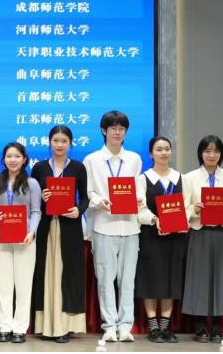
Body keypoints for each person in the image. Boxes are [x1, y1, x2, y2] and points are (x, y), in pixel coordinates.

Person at [84, 110, 143, 343]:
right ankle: (109, 325)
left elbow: (138, 188)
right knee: (105, 279)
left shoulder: (134, 159)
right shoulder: (92, 160)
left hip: (130, 227)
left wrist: (138, 199)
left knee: (127, 280)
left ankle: (126, 326)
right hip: (103, 226)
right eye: (113, 128)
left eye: (122, 129)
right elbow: (88, 191)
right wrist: (99, 201)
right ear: (103, 130)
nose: (117, 132)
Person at [30, 125, 89, 343]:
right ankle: (46, 325)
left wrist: (78, 210)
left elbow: (85, 198)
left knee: (67, 273)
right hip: (45, 227)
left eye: (64, 141)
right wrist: (41, 197)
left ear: (70, 144)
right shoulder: (39, 168)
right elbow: (31, 198)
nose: (59, 145)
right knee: (45, 273)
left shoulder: (78, 168)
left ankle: (65, 326)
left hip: (69, 227)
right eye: (56, 140)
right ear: (49, 142)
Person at [181, 135, 223, 343]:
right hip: (199, 232)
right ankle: (200, 326)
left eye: (216, 151)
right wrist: (194, 209)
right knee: (198, 279)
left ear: (221, 154)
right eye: (207, 151)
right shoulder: (189, 177)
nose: (212, 155)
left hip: (222, 233)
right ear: (201, 153)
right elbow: (183, 208)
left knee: (221, 279)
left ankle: (216, 326)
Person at [134, 136, 187, 344]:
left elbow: (188, 205)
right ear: (151, 154)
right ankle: (153, 327)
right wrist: (156, 219)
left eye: (167, 149)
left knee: (171, 280)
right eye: (159, 149)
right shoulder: (143, 178)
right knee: (151, 279)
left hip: (176, 236)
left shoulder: (180, 178)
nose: (164, 153)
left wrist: (184, 216)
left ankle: (165, 326)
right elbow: (139, 208)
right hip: (151, 236)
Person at [0, 142, 41, 344]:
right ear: (3, 160)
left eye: (17, 156)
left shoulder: (32, 184)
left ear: (24, 159)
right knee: (4, 285)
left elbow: (36, 211)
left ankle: (20, 328)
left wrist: (32, 231)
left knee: (24, 285)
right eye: (9, 156)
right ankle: (4, 326)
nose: (13, 160)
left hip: (24, 239)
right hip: (1, 238)